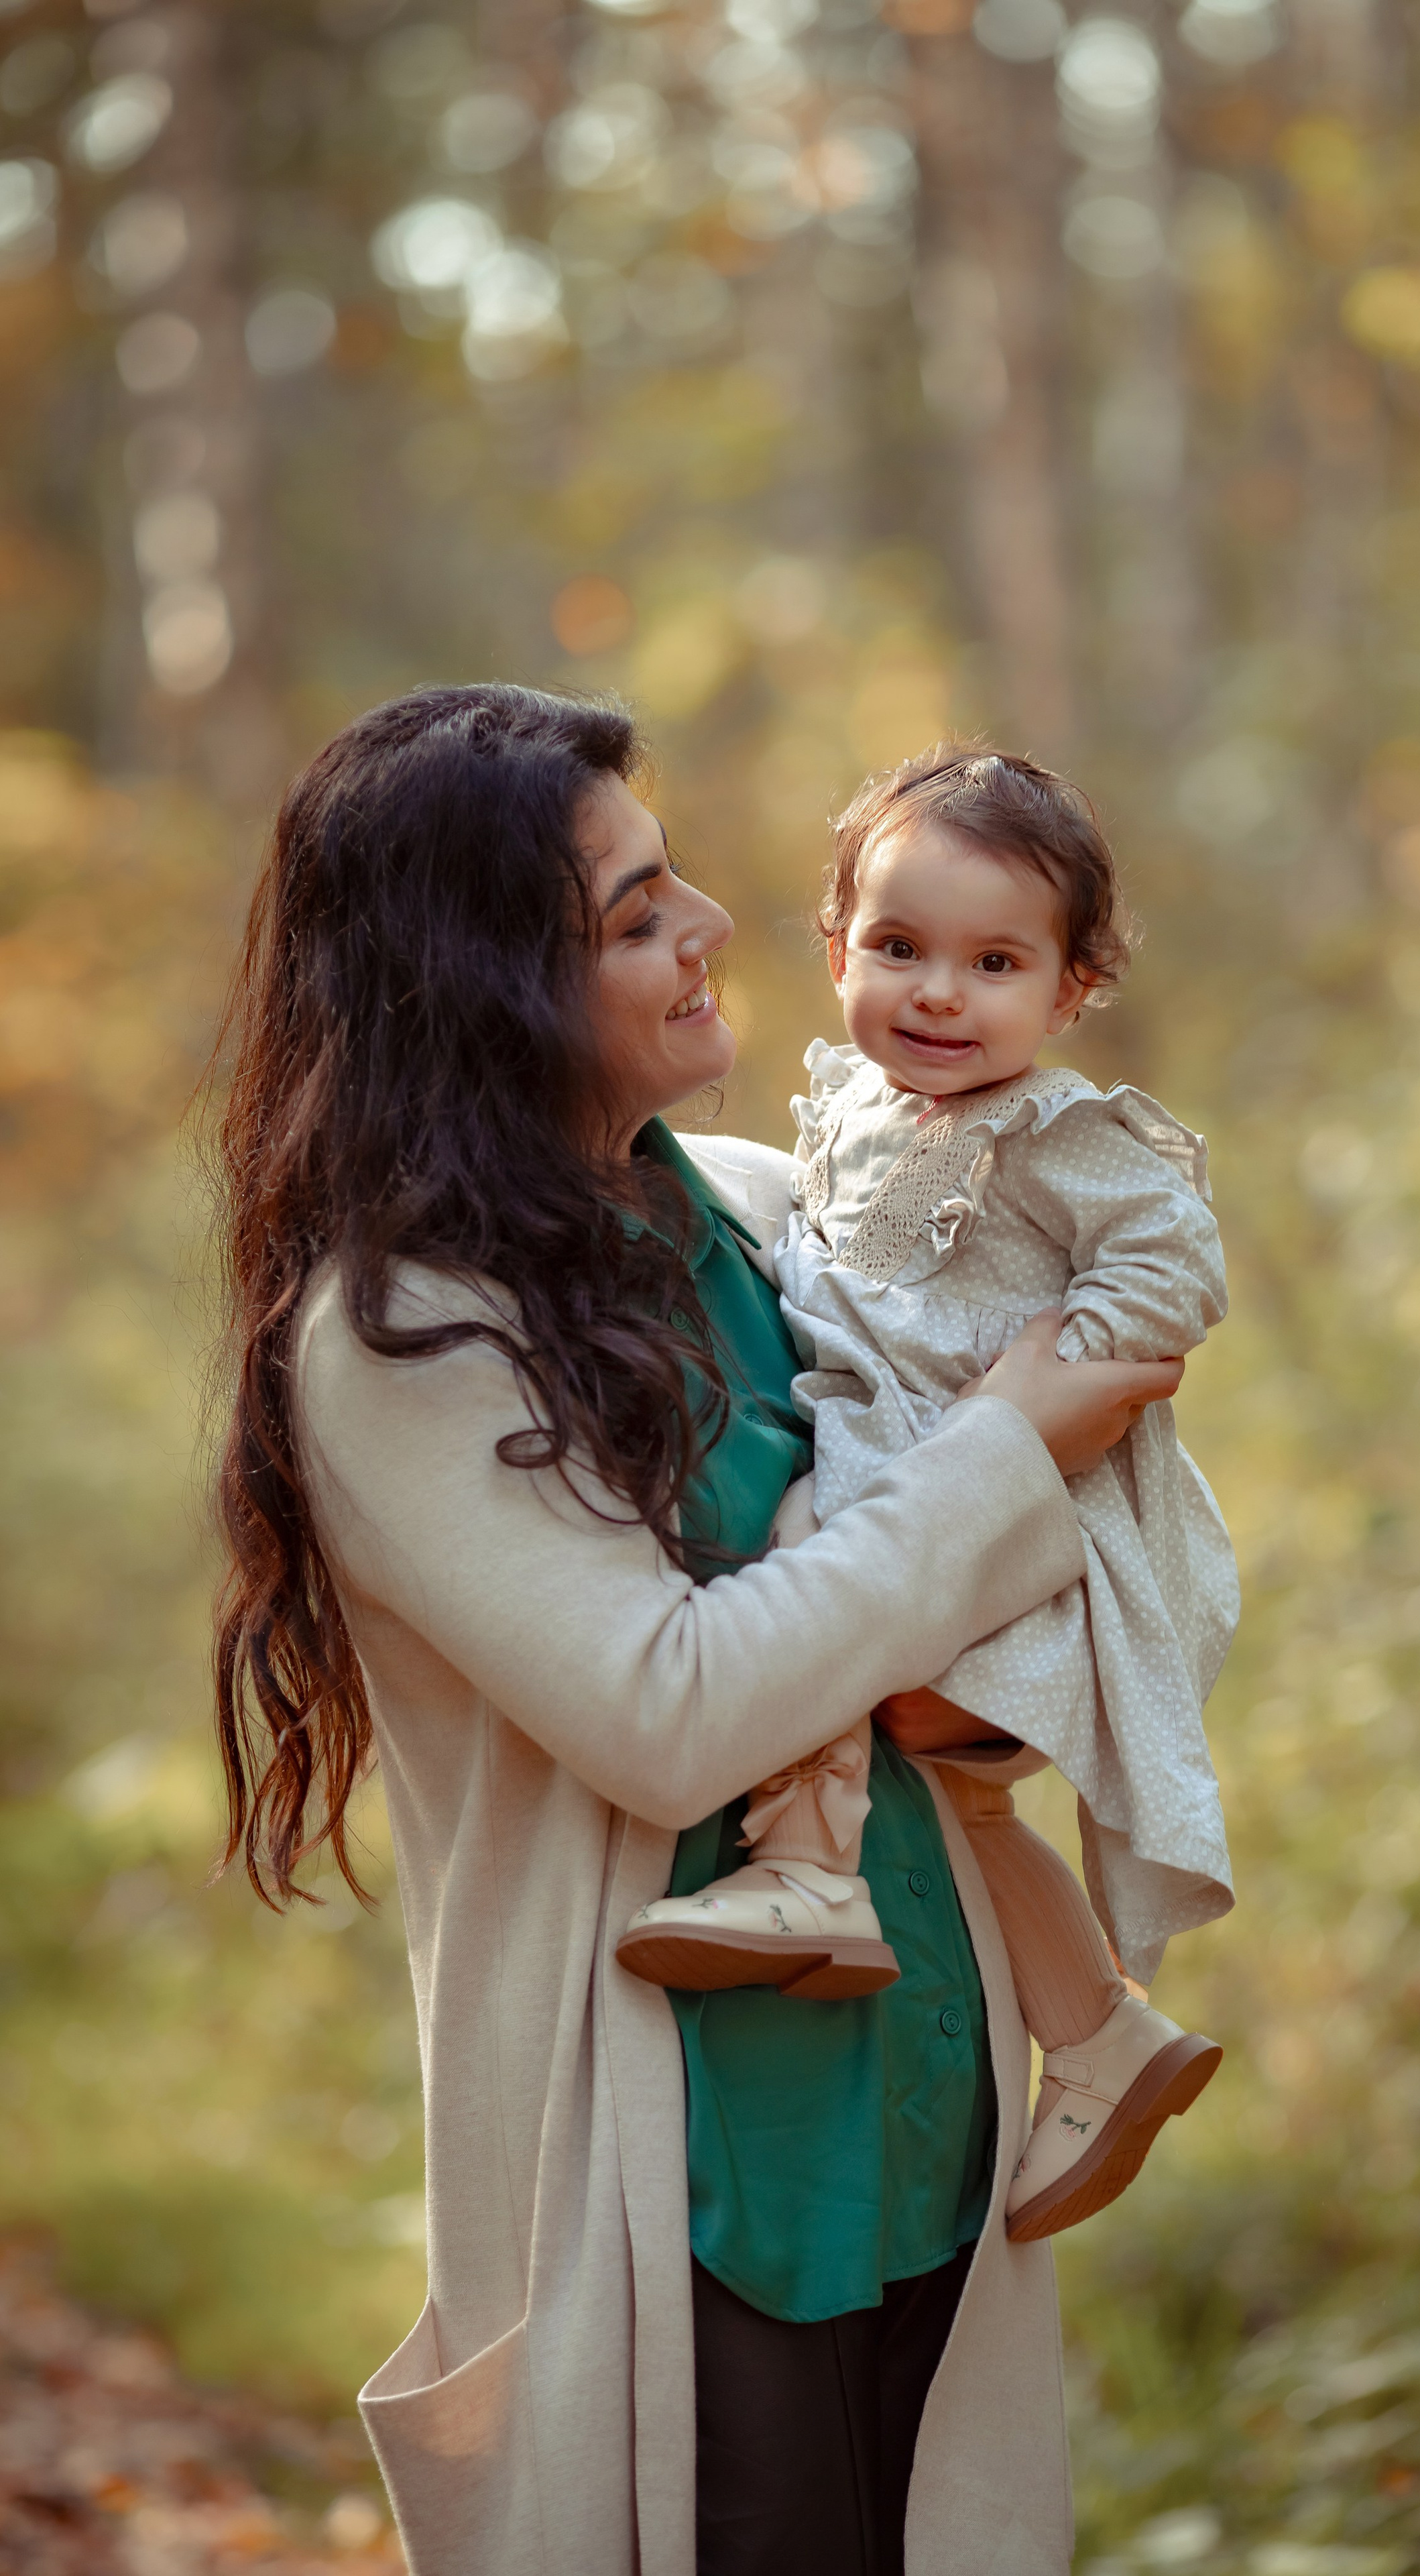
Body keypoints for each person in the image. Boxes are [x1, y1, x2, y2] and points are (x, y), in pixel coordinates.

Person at [208, 684, 1186, 2576]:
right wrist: (1012, 1443)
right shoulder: (402, 1333)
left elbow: (1026, 1534)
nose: (711, 926)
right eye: (636, 912)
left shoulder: (761, 1213)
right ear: (487, 986)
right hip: (691, 2168)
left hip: (923, 2105)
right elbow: (668, 1712)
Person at [619, 746, 1238, 2246]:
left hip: (986, 1475)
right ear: (834, 951)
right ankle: (1093, 2027)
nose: (939, 994)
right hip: (904, 1464)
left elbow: (1174, 1266)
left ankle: (807, 1876)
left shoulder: (1060, 1136)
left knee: (799, 1581)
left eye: (994, 961)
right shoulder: (838, 1111)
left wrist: (1035, 1399)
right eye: (898, 948)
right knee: (951, 1787)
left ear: (1071, 988)